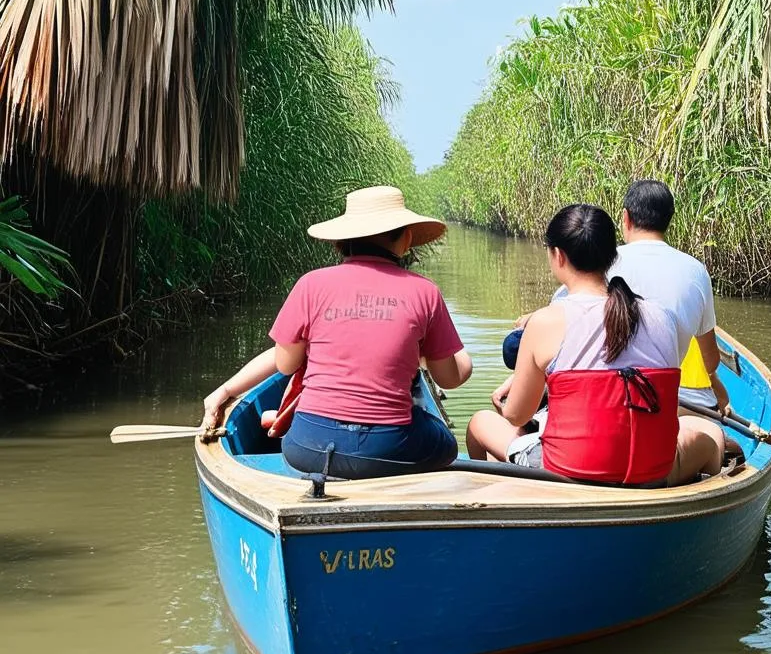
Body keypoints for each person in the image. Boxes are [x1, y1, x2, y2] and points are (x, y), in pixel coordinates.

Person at [199, 186, 472, 479]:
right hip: (388, 450)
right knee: (445, 444)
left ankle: (276, 423)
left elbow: (286, 363)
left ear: (342, 240)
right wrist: (454, 357)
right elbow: (449, 378)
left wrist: (225, 391)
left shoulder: (310, 284)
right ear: (405, 239)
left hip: (307, 448)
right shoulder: (425, 292)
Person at [467, 204, 724, 485]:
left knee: (479, 423)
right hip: (652, 473)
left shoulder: (545, 321)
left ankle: (505, 502)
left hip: (566, 473)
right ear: (612, 255)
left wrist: (511, 403)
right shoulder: (663, 317)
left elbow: (517, 414)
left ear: (558, 256)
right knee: (710, 437)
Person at [612, 179, 729, 416]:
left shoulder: (604, 262)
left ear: (626, 218)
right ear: (668, 221)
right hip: (669, 402)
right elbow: (711, 361)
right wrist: (715, 382)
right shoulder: (696, 271)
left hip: (612, 398)